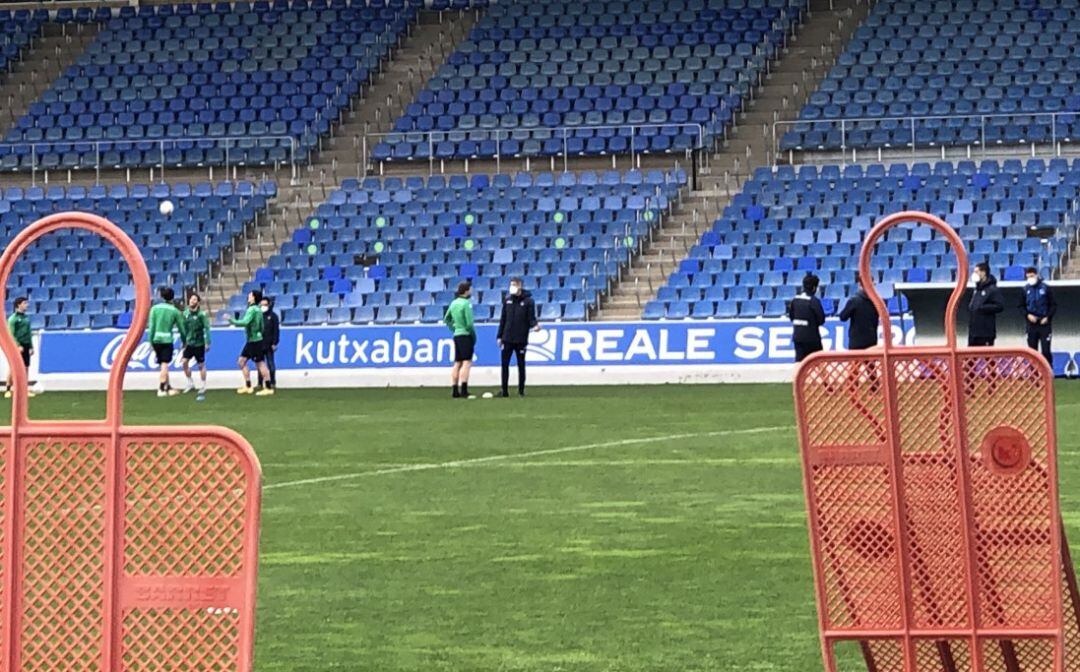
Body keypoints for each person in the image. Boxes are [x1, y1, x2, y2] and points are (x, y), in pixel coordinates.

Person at [496, 277, 540, 397]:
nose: (512, 287)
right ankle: (504, 390)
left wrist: (535, 325)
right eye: (511, 285)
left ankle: (521, 390)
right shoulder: (507, 300)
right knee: (504, 365)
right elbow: (503, 319)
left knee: (521, 365)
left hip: (520, 338)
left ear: (520, 285)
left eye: (514, 284)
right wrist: (499, 336)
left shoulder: (528, 301)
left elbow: (531, 318)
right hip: (507, 338)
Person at [230, 289, 274, 396]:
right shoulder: (258, 310)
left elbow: (245, 322)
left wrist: (232, 321)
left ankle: (268, 387)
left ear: (254, 297)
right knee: (241, 361)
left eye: (250, 295)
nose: (248, 297)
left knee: (260, 364)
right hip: (253, 340)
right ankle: (248, 385)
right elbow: (262, 326)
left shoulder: (252, 310)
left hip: (254, 341)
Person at [147, 287, 185, 397]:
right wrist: (184, 341)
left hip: (156, 339)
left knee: (162, 363)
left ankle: (168, 386)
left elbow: (152, 326)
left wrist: (150, 341)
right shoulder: (175, 311)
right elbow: (181, 328)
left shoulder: (154, 309)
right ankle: (162, 387)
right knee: (164, 363)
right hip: (167, 339)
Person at [444, 281, 475, 399]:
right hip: (465, 335)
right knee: (467, 362)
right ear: (466, 291)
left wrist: (454, 328)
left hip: (457, 335)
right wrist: (472, 335)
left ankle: (454, 390)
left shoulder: (453, 303)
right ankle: (464, 389)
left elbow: (446, 319)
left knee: (457, 362)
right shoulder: (466, 304)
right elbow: (470, 323)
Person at [1021, 267, 1056, 367]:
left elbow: (1053, 305)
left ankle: (1049, 372)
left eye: (1031, 276)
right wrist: (1027, 315)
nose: (1030, 278)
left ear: (1036, 275)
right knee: (1032, 352)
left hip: (1044, 324)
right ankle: (1034, 375)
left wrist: (1047, 317)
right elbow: (1021, 306)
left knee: (1045, 350)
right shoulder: (1025, 289)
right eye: (1028, 277)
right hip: (1031, 324)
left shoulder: (1046, 288)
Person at [788, 273, 826, 363]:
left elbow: (791, 317)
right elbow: (821, 319)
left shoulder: (795, 300)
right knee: (819, 361)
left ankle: (797, 377)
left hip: (798, 337)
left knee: (799, 363)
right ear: (814, 288)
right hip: (812, 338)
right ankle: (823, 377)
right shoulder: (814, 301)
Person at [181, 292, 211, 401]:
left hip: (199, 344)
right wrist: (184, 341)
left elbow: (207, 328)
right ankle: (190, 383)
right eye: (190, 299)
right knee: (184, 362)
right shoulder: (185, 314)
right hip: (189, 343)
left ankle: (203, 385)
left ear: (198, 303)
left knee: (201, 365)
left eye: (194, 299)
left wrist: (208, 342)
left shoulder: (201, 315)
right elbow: (184, 329)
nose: (191, 301)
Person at [838, 273, 879, 350]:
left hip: (856, 343)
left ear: (860, 284)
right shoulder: (876, 301)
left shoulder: (854, 301)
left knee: (856, 362)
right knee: (870, 362)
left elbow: (843, 317)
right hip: (872, 342)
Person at [967, 262, 1004, 347]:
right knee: (971, 358)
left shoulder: (993, 289)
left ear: (983, 272)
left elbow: (1000, 306)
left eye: (976, 272)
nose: (974, 274)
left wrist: (982, 308)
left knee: (987, 358)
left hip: (986, 333)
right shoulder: (977, 289)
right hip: (973, 332)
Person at [5, 296, 35, 399]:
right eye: (25, 303)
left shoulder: (26, 318)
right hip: (17, 346)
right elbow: (11, 334)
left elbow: (29, 333)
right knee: (13, 368)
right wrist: (17, 345)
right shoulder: (13, 319)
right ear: (19, 305)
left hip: (26, 345)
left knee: (26, 368)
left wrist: (31, 346)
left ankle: (24, 389)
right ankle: (8, 388)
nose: (27, 305)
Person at [257, 296, 280, 390]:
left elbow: (276, 331)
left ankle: (273, 382)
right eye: (261, 305)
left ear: (269, 305)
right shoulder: (258, 316)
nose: (263, 306)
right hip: (259, 344)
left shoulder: (273, 316)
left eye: (265, 305)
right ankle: (260, 383)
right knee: (260, 365)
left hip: (269, 344)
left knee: (271, 364)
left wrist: (275, 343)